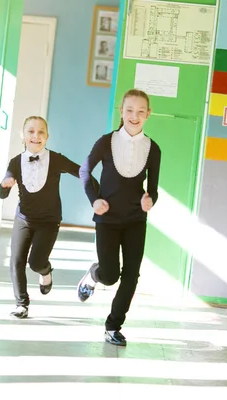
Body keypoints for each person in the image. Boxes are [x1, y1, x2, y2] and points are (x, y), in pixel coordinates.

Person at [77, 89, 162, 346]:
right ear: (121, 112)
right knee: (110, 275)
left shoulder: (153, 149)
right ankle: (95, 274)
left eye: (140, 111)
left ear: (148, 114)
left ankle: (113, 326)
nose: (134, 116)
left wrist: (150, 200)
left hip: (136, 220)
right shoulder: (106, 142)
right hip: (107, 220)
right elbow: (84, 171)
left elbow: (153, 189)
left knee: (131, 274)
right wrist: (95, 200)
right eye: (129, 110)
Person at [0, 116, 98, 319]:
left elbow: (81, 172)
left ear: (47, 136)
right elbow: (1, 194)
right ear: (23, 135)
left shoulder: (56, 159)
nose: (36, 136)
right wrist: (5, 185)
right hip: (24, 218)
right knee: (16, 261)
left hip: (49, 221)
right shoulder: (16, 162)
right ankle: (21, 304)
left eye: (41, 132)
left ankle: (46, 272)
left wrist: (98, 195)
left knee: (36, 263)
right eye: (31, 131)